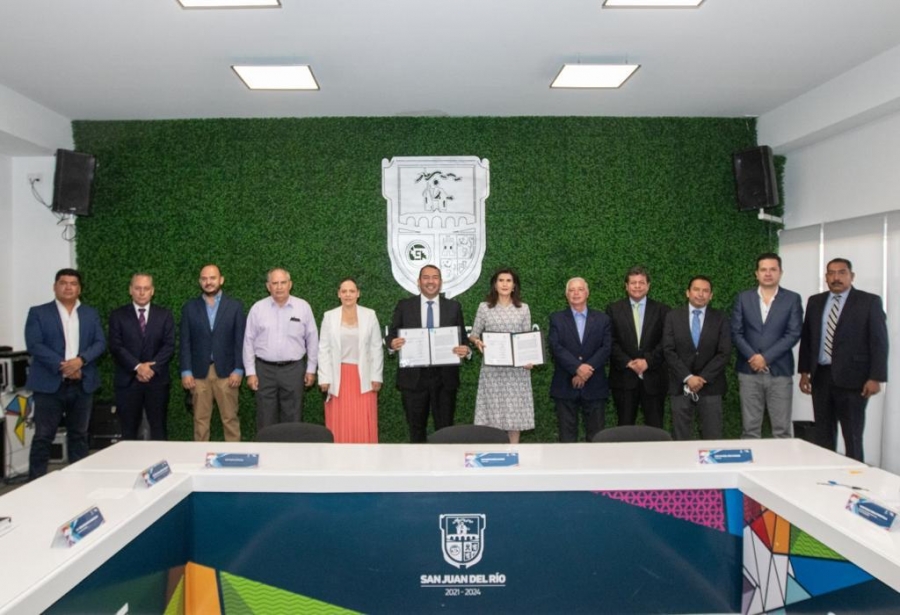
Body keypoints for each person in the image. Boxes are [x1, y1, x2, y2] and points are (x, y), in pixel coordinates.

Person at [798, 258, 888, 462]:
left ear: (851, 276)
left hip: (854, 380)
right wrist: (804, 372)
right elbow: (808, 339)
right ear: (826, 277)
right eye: (831, 273)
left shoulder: (869, 302)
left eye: (842, 272)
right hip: (821, 377)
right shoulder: (815, 301)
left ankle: (855, 476)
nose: (836, 277)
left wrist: (876, 377)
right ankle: (826, 473)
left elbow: (879, 342)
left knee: (852, 436)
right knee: (823, 434)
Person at [24, 269, 106, 479]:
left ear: (79, 289)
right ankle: (35, 483)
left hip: (82, 384)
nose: (68, 287)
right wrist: (65, 367)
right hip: (49, 385)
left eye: (73, 283)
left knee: (79, 435)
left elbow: (100, 343)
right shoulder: (38, 313)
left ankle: (78, 483)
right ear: (55, 287)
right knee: (43, 436)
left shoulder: (90, 313)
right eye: (63, 283)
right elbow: (35, 345)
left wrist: (80, 362)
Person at [385, 264, 470, 443]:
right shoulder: (405, 306)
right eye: (426, 277)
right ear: (419, 282)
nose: (430, 281)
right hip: (413, 378)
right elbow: (391, 335)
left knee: (445, 430)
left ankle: (444, 461)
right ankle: (418, 462)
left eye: (435, 277)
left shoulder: (453, 307)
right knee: (416, 429)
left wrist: (465, 349)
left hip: (445, 379)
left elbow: (463, 338)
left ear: (441, 282)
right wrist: (392, 344)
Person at [731, 253, 803, 439]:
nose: (768, 273)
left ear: (780, 272)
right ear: (756, 273)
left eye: (773, 269)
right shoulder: (743, 298)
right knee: (750, 430)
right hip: (748, 371)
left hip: (779, 372)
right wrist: (753, 357)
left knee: (781, 431)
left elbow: (793, 333)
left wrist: (766, 358)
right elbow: (736, 332)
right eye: (763, 270)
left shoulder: (792, 299)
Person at [243, 268, 319, 431]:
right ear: (268, 286)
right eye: (275, 283)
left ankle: (292, 448)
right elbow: (248, 341)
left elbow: (312, 339)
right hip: (264, 371)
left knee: (293, 417)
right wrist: (250, 372)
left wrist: (311, 369)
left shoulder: (303, 307)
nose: (279, 287)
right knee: (265, 418)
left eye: (283, 282)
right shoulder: (258, 309)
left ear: (290, 284)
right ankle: (267, 448)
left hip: (293, 370)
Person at [180, 264, 246, 442]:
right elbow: (185, 342)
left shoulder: (235, 306)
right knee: (200, 421)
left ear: (221, 280)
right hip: (198, 374)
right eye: (204, 279)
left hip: (228, 373)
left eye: (212, 278)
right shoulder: (189, 307)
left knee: (230, 419)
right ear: (200, 281)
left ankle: (234, 456)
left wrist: (238, 369)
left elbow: (240, 341)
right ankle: (200, 457)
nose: (208, 282)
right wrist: (186, 371)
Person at [469, 268, 535, 444]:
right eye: (501, 280)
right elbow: (474, 334)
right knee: (492, 415)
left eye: (508, 281)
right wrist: (477, 342)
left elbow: (526, 339)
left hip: (517, 372)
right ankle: (493, 454)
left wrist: (529, 360)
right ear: (495, 285)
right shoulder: (484, 308)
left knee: (515, 418)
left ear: (514, 286)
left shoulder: (523, 308)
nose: (504, 284)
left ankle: (514, 452)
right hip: (492, 370)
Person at [108, 273, 176, 440]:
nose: (142, 292)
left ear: (152, 291)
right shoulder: (118, 315)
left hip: (157, 381)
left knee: (159, 429)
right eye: (138, 288)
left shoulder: (164, 315)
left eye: (146, 288)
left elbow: (169, 345)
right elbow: (116, 346)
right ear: (130, 290)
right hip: (128, 382)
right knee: (128, 431)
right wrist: (138, 367)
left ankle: (160, 458)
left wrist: (151, 368)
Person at [663, 276, 731, 440]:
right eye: (696, 289)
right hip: (680, 385)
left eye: (705, 291)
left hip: (711, 386)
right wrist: (688, 377)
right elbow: (669, 350)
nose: (700, 294)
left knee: (712, 436)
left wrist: (702, 378)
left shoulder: (720, 318)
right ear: (688, 292)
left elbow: (724, 352)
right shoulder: (673, 317)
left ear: (711, 295)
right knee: (680, 437)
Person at [317, 278, 383, 443]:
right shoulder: (329, 316)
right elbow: (323, 349)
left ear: (358, 294)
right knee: (340, 422)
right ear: (338, 294)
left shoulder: (370, 315)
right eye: (344, 291)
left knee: (362, 422)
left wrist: (377, 376)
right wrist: (324, 378)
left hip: (364, 378)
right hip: (337, 378)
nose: (348, 295)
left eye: (352, 291)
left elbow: (376, 347)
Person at [548, 277, 611, 442]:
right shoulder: (556, 318)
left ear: (587, 293)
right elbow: (555, 347)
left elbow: (606, 348)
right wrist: (577, 368)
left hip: (595, 385)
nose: (576, 293)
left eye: (580, 289)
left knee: (596, 437)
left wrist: (586, 369)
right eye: (571, 290)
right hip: (565, 384)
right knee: (567, 437)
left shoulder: (602, 319)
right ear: (566, 295)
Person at [606, 266, 669, 428]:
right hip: (624, 378)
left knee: (655, 428)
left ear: (648, 286)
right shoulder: (613, 309)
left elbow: (667, 341)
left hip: (654, 378)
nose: (637, 286)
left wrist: (648, 361)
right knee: (625, 427)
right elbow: (609, 340)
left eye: (641, 282)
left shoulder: (662, 310)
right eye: (633, 283)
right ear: (626, 286)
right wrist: (628, 362)